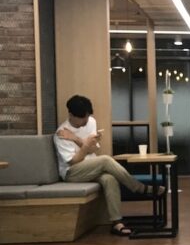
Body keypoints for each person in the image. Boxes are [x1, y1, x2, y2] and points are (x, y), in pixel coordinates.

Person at [53, 95, 162, 237]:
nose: (86, 121)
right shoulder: (61, 133)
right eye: (82, 118)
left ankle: (117, 223)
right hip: (72, 173)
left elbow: (93, 149)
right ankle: (140, 188)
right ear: (71, 115)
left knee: (109, 179)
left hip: (90, 168)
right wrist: (84, 145)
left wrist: (76, 139)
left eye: (87, 117)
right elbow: (74, 161)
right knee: (105, 160)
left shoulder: (90, 122)